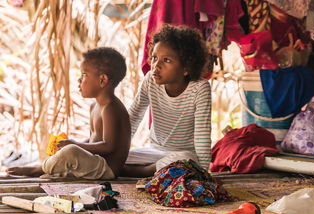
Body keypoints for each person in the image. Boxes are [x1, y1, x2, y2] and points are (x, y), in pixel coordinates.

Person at [7, 47, 131, 179]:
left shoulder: (110, 108)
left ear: (102, 80)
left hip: (107, 169)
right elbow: (94, 140)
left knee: (71, 152)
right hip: (95, 163)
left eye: (84, 75)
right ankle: (47, 170)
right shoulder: (94, 106)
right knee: (66, 154)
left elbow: (108, 146)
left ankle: (37, 169)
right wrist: (72, 144)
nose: (79, 80)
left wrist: (75, 145)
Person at [123, 24, 211, 177]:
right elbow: (134, 115)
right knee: (118, 157)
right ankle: (147, 171)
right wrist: (119, 151)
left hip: (182, 157)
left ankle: (140, 172)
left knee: (185, 160)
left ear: (186, 68)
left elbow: (202, 137)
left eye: (167, 60)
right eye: (155, 58)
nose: (156, 65)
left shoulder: (199, 89)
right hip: (154, 153)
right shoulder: (150, 79)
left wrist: (203, 174)